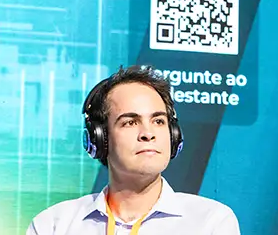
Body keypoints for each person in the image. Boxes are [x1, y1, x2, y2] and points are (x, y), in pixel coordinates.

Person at [28, 65, 240, 234]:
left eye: (158, 121)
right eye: (130, 122)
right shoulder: (54, 225)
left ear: (173, 134)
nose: (148, 133)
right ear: (100, 138)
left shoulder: (210, 222)